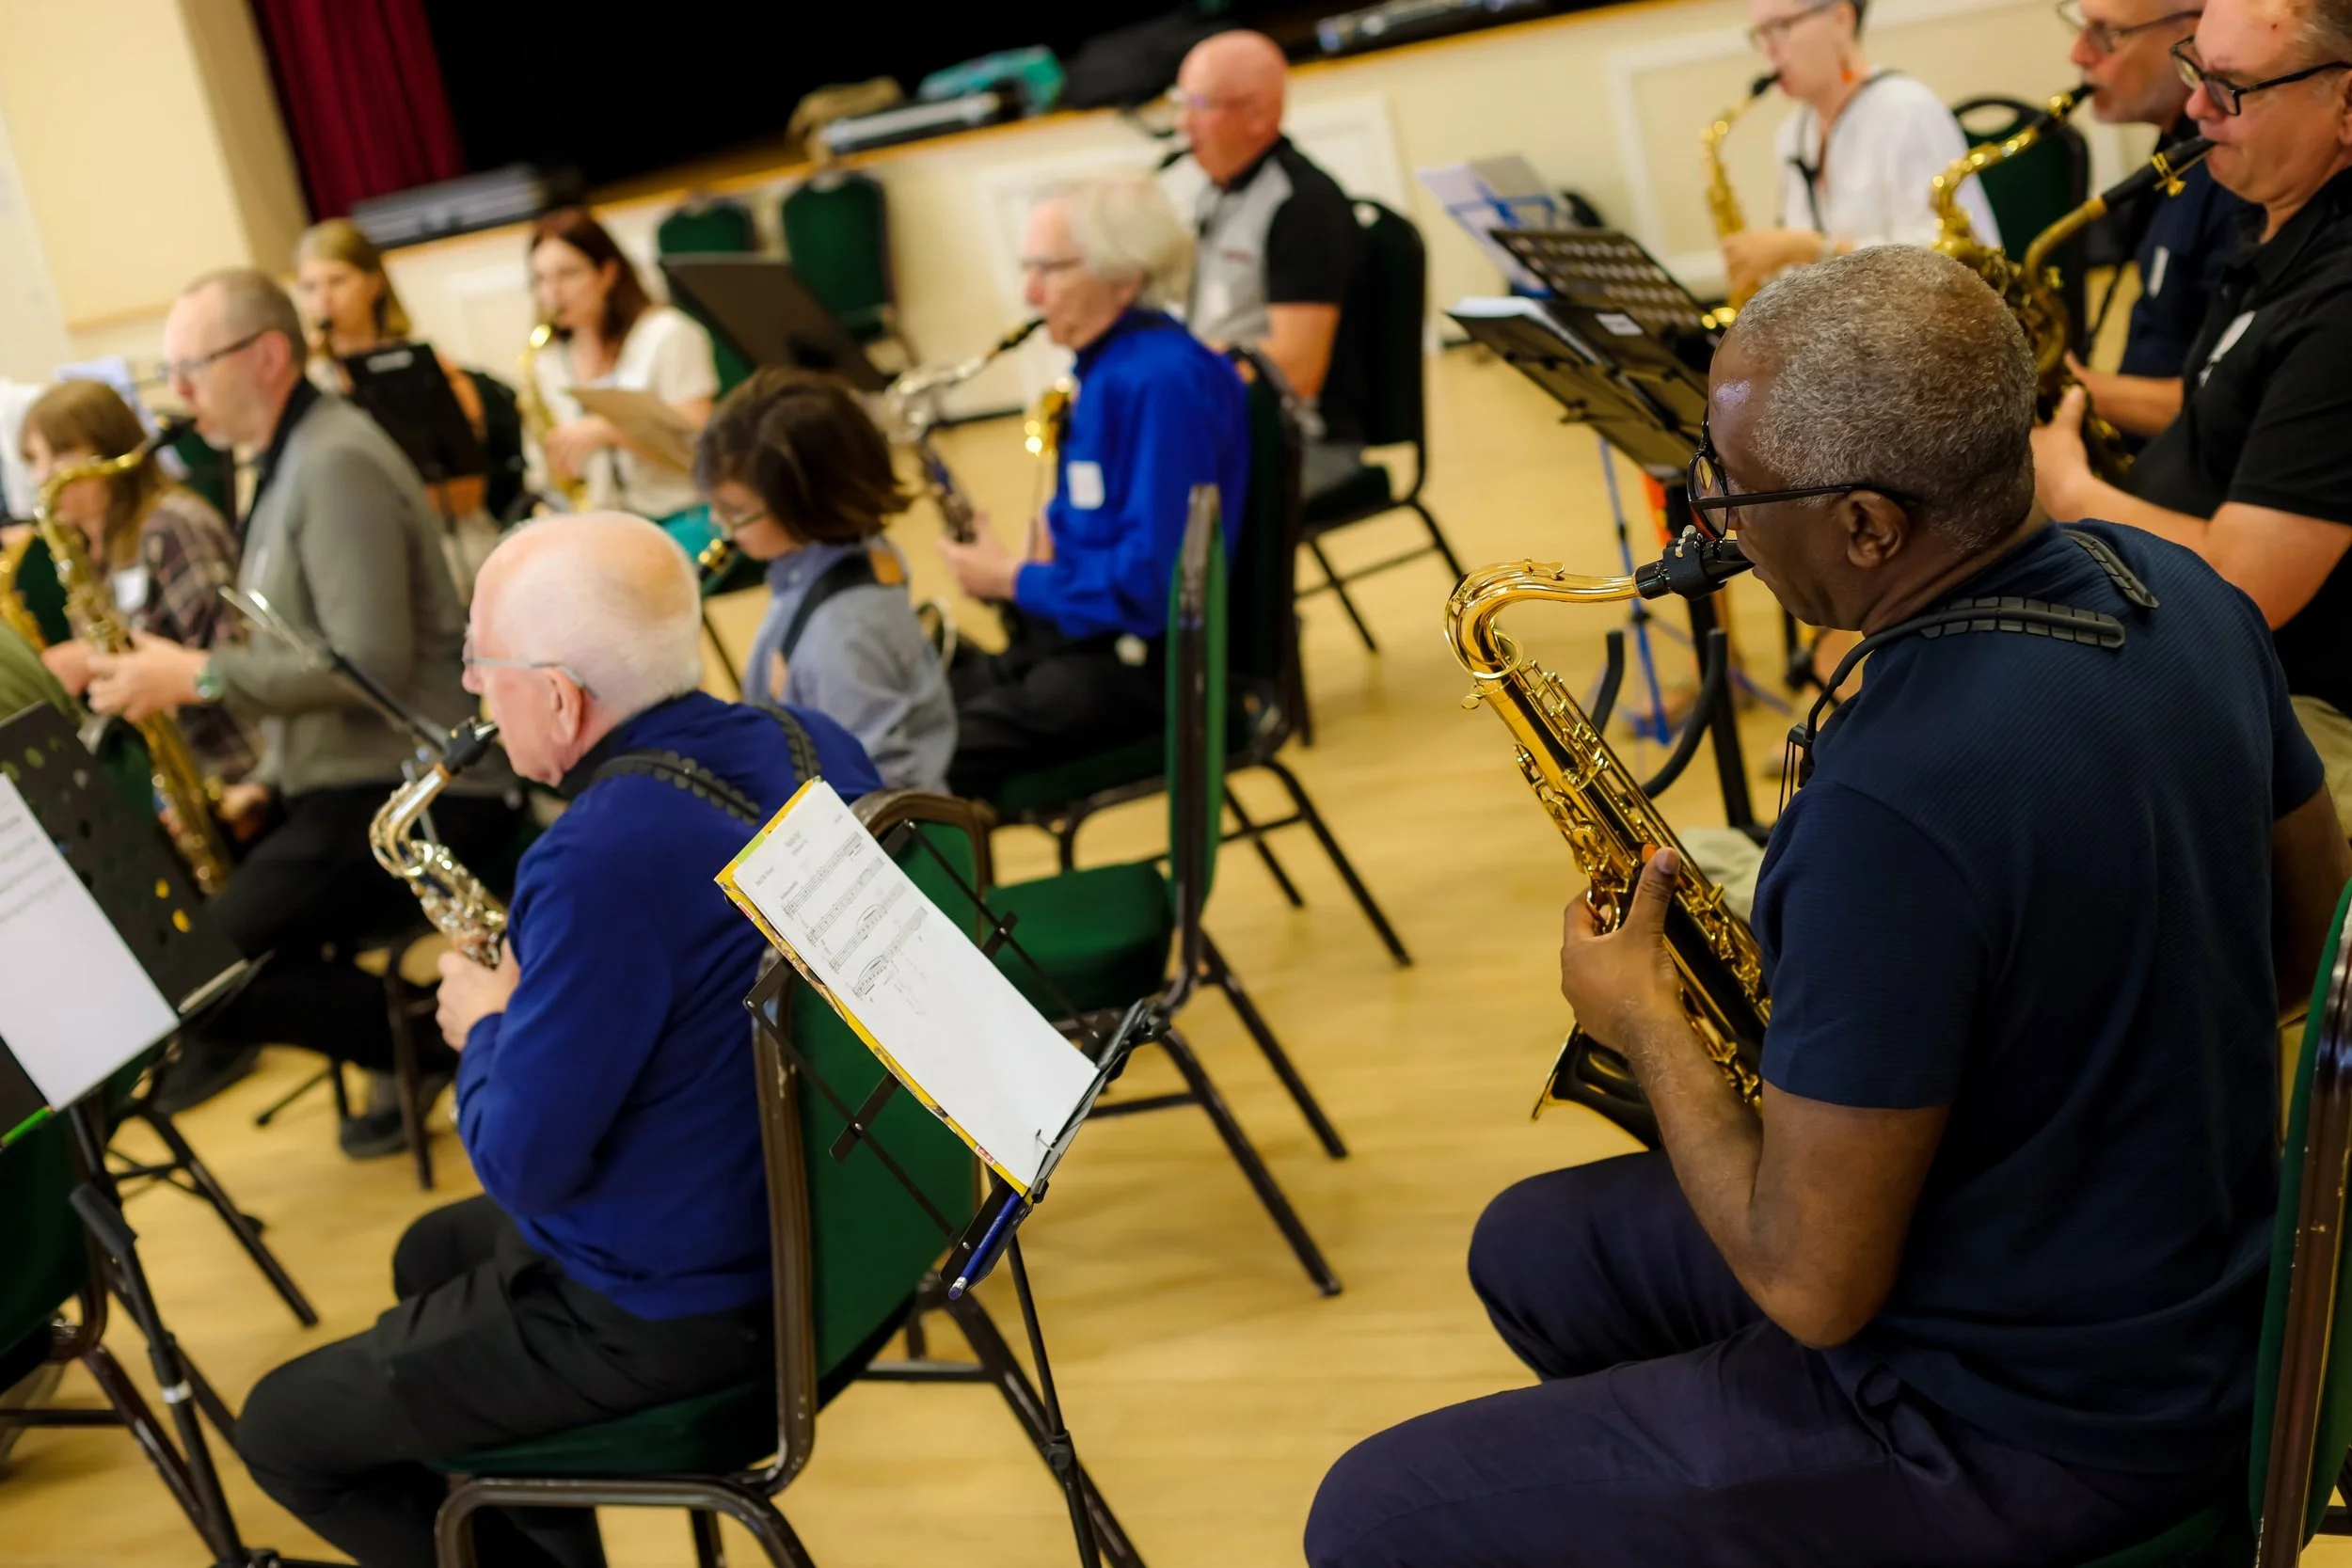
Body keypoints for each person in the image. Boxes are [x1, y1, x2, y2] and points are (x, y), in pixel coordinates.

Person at [1306, 245, 2352, 1567]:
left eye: (1733, 485)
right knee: (1535, 1244)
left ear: (1867, 525)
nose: (1710, 515)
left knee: (1370, 1515)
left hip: (2032, 1423)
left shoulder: (1890, 800)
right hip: (2202, 1289)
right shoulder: (2179, 587)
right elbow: (2307, 948)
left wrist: (1645, 1018)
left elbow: (1812, 1286)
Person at [236, 512, 882, 1568]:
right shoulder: (807, 739)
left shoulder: (597, 857)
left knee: (283, 1430)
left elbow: (521, 1162)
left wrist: (490, 1023)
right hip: (839, 1233)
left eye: (480, 667)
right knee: (431, 1251)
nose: (470, 693)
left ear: (559, 697)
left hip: (693, 1308)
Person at [85, 268, 520, 1148]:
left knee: (200, 974)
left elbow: (365, 663)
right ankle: (426, 1041)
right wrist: (268, 777)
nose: (180, 393)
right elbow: (304, 647)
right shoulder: (287, 458)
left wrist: (200, 677)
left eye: (192, 366)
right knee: (192, 946)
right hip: (345, 783)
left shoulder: (333, 461)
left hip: (424, 794)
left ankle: (465, 1044)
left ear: (267, 355)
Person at [2033, 0, 2352, 828]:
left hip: (2300, 710)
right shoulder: (2273, 219)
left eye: (2231, 86)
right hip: (2211, 657)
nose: (2198, 106)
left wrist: (2070, 490)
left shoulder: (2340, 301)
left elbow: (2248, 581)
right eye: (2194, 68)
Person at [935, 176, 1248, 800]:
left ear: (1124, 278)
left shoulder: (1158, 383)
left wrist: (1013, 580)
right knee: (906, 715)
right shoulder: (1107, 371)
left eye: (1048, 270)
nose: (1029, 294)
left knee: (924, 757)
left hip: (1150, 670)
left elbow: (1155, 586)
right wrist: (1039, 559)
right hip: (1088, 645)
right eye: (1029, 270)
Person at [691, 367, 956, 792]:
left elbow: (873, 788)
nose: (720, 525)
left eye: (735, 512)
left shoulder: (839, 638)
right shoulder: (823, 558)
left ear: (805, 504)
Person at [14, 378, 256, 784]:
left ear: (109, 452)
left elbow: (235, 662)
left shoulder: (171, 526)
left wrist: (92, 657)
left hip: (237, 773)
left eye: (61, 453)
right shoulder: (86, 551)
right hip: (175, 778)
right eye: (33, 460)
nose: (44, 476)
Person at [1172, 29, 1366, 499]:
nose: (1182, 123)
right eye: (1180, 103)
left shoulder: (1304, 204)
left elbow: (1296, 371)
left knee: (1152, 499)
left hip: (1298, 442)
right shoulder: (1214, 193)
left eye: (1199, 105)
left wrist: (1182, 375)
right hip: (1227, 418)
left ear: (1259, 113)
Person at [1722, 0, 1999, 302]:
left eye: (1780, 27)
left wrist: (1810, 248)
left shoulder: (1907, 110)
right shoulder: (1793, 133)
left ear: (1841, 18)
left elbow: (1951, 264)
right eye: (1760, 33)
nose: (1768, 49)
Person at [2062, 0, 2248, 438]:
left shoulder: (2236, 179)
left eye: (2107, 33)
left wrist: (2072, 387)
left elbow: (2231, 405)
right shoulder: (2176, 153)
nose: (2078, 54)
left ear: (2195, 34)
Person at [297, 217, 501, 595]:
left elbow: (467, 492)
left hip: (447, 541)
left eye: (337, 281)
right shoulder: (312, 382)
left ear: (374, 284)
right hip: (360, 549)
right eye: (310, 287)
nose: (323, 300)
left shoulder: (425, 369)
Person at [525, 207, 719, 548]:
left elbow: (701, 448)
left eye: (568, 274)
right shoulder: (547, 360)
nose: (553, 293)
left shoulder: (667, 334)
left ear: (607, 273)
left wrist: (611, 430)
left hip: (685, 515)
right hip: (605, 526)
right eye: (540, 279)